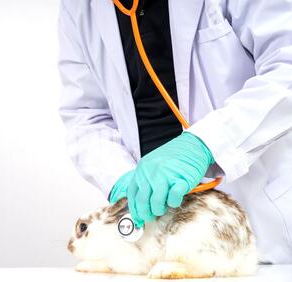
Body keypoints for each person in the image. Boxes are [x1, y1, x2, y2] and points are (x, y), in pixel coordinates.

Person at [57, 0, 292, 264]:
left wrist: (205, 144)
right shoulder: (79, 8)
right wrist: (121, 179)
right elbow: (86, 114)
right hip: (157, 232)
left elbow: (286, 66)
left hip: (265, 215)